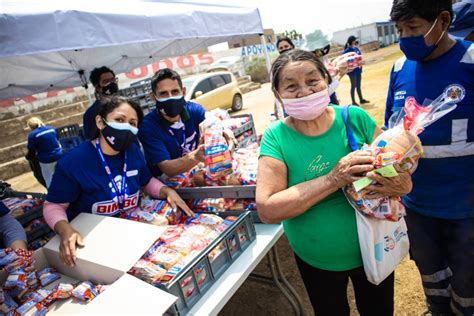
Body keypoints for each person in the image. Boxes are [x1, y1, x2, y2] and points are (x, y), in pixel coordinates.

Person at [257, 49, 412, 315]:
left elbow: (398, 174)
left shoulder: (354, 118)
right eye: (291, 86)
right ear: (277, 94)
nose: (304, 91)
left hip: (374, 248)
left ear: (326, 80)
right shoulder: (276, 137)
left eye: (312, 81)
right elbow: (268, 208)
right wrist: (333, 179)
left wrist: (403, 184)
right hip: (316, 259)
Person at [386, 1, 474, 315]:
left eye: (413, 28)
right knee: (433, 279)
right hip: (418, 208)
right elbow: (389, 133)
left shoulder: (470, 60)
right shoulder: (399, 69)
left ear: (443, 20)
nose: (404, 37)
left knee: (469, 286)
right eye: (399, 30)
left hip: (466, 210)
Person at [43, 96, 193, 267]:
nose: (126, 127)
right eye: (119, 120)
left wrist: (166, 191)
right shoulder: (73, 162)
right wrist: (66, 231)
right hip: (91, 243)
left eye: (132, 123)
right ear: (100, 122)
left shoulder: (133, 151)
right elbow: (53, 206)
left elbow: (146, 181)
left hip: (131, 234)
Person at [138, 68, 208, 178]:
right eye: (163, 94)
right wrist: (195, 156)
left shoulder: (194, 110)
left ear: (183, 92)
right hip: (166, 183)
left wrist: (225, 133)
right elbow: (168, 168)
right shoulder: (148, 126)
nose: (170, 98)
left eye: (175, 92)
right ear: (153, 97)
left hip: (196, 173)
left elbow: (213, 125)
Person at [83, 66, 118, 140]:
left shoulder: (126, 105)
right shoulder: (91, 114)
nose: (111, 83)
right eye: (106, 81)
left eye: (113, 80)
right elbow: (92, 140)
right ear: (98, 87)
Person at [25, 117, 63, 188]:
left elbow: (31, 151)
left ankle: (54, 196)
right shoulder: (51, 128)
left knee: (49, 179)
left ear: (30, 126)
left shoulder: (33, 135)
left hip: (46, 160)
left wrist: (28, 157)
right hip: (59, 155)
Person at [343, 36, 370, 106]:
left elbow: (359, 57)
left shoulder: (356, 49)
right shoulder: (347, 51)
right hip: (352, 72)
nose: (356, 41)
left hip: (358, 70)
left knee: (358, 86)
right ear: (352, 41)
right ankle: (353, 102)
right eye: (355, 40)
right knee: (353, 86)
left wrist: (361, 62)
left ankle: (361, 99)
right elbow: (344, 60)